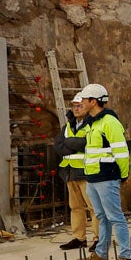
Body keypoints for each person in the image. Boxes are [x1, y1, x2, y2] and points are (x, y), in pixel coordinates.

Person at [77, 83, 131, 260]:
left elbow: (122, 153)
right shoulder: (91, 123)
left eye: (84, 100)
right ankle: (101, 253)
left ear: (93, 101)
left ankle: (126, 257)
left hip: (107, 177)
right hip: (93, 178)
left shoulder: (109, 122)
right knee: (101, 216)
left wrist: (122, 176)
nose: (81, 103)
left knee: (116, 217)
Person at [53, 93, 98, 251]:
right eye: (74, 106)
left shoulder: (93, 125)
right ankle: (79, 238)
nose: (76, 109)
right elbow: (57, 145)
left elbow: (87, 144)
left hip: (86, 172)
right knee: (75, 207)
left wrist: (69, 143)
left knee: (94, 207)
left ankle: (99, 238)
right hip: (70, 172)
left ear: (87, 106)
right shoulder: (68, 127)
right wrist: (73, 144)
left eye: (80, 105)